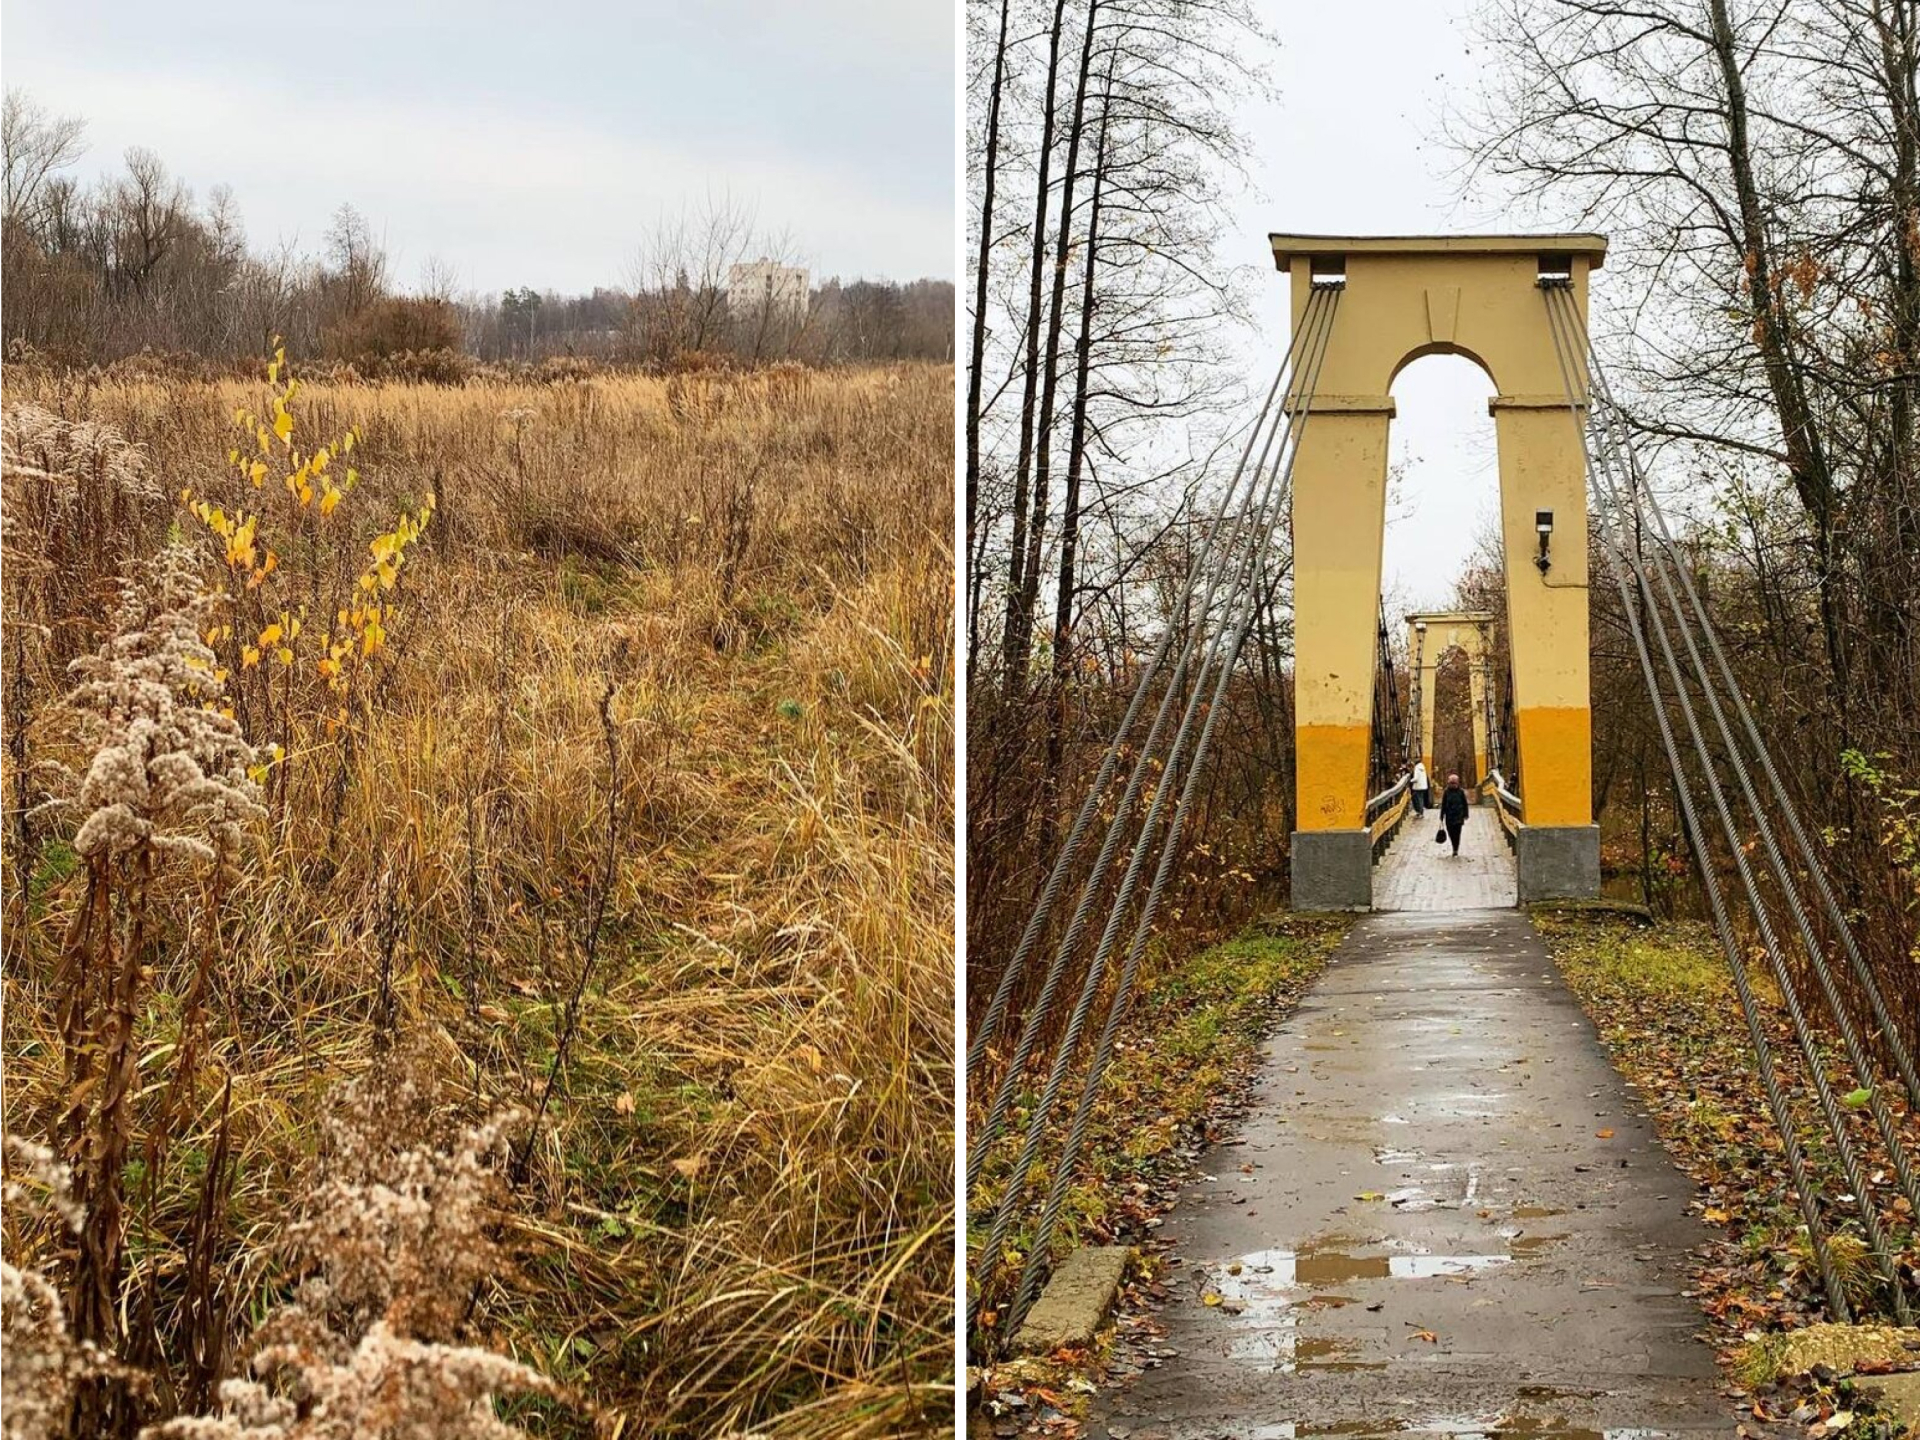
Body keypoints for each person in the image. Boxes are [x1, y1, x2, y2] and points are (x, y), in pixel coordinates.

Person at [1439, 772, 1469, 856]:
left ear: (1457, 783)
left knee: (1457, 833)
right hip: (1449, 816)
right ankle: (1454, 844)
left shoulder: (1461, 792)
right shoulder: (1446, 792)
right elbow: (1443, 804)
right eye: (1450, 783)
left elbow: (1465, 803)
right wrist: (1441, 815)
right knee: (1450, 832)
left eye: (1454, 783)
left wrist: (1466, 814)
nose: (1452, 785)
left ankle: (1455, 848)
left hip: (1459, 815)